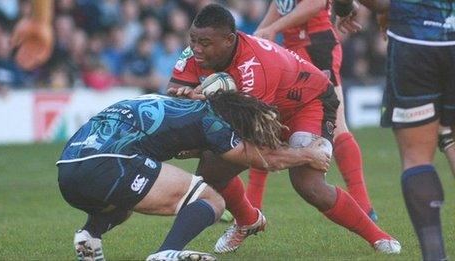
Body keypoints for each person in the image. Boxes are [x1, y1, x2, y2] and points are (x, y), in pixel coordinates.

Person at [168, 3, 400, 254]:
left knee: (307, 183)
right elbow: (175, 96)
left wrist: (203, 122)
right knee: (211, 170)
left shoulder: (253, 67)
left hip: (309, 104)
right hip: (267, 107)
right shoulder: (192, 54)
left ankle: (379, 237)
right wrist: (185, 97)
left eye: (204, 42)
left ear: (228, 40)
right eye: (193, 39)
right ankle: (248, 221)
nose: (196, 48)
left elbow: (257, 135)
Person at [56, 91, 331, 261]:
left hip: (68, 168)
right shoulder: (212, 119)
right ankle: (166, 253)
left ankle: (90, 235)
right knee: (211, 200)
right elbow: (262, 158)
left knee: (125, 201)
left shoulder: (166, 102)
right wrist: (308, 154)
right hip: (111, 164)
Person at [336, 0, 454, 260]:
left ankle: (435, 256)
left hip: (416, 40)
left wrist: (354, 8)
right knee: (450, 138)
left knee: (417, 157)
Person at [249, 0, 377, 220]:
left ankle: (363, 206)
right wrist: (257, 37)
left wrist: (273, 29)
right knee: (269, 124)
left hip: (315, 45)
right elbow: (281, 6)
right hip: (294, 50)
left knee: (336, 125)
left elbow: (315, 3)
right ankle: (250, 207)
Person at [10, 0, 54, 70]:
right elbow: (42, 28)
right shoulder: (44, 47)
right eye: (29, 56)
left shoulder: (19, 35)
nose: (26, 53)